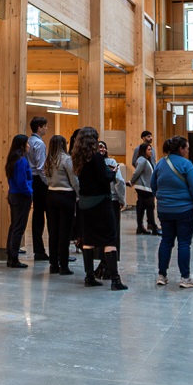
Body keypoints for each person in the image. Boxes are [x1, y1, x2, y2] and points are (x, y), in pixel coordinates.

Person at [72, 127, 127, 290]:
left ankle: (89, 277)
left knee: (88, 240)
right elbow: (104, 178)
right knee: (109, 239)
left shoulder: (77, 157)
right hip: (101, 203)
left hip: (85, 202)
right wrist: (113, 172)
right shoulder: (96, 157)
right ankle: (115, 279)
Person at [150, 135, 193, 288]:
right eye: (187, 148)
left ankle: (162, 275)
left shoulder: (160, 163)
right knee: (184, 243)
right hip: (185, 209)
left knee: (166, 241)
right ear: (181, 149)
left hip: (164, 210)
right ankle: (185, 278)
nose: (187, 151)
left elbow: (153, 184)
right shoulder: (186, 164)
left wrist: (161, 198)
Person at [44, 134, 79, 276]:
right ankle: (64, 265)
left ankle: (53, 264)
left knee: (53, 231)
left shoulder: (48, 160)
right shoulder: (67, 159)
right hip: (65, 195)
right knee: (65, 232)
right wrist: (79, 194)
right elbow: (74, 179)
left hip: (51, 194)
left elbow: (45, 178)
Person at [6, 134, 33, 269]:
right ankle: (14, 258)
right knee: (19, 228)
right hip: (21, 196)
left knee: (14, 226)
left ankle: (10, 256)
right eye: (27, 143)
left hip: (13, 194)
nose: (29, 146)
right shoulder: (22, 161)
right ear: (22, 146)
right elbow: (22, 182)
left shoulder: (12, 159)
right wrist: (29, 193)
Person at [27, 116, 49, 261]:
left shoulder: (29, 141)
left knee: (37, 214)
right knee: (41, 215)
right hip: (39, 181)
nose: (47, 128)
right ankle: (40, 250)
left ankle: (38, 249)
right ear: (39, 128)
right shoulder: (39, 144)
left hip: (32, 179)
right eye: (45, 126)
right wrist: (48, 182)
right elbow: (41, 167)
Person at [130, 143, 159, 235]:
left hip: (145, 187)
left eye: (151, 149)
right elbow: (137, 172)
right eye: (148, 150)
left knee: (141, 207)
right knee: (150, 206)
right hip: (144, 188)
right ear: (144, 151)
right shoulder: (142, 160)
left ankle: (140, 227)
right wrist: (131, 181)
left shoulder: (146, 160)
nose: (151, 151)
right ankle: (153, 227)